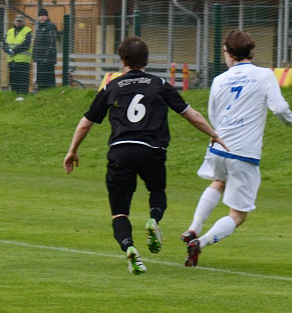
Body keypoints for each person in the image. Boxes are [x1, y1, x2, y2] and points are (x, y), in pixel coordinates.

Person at [63, 37, 226, 275]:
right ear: (146, 60)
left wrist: (73, 150)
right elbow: (190, 114)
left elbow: (86, 122)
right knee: (157, 191)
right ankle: (153, 220)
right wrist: (213, 133)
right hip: (152, 151)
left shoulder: (112, 87)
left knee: (120, 211)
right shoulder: (159, 84)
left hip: (121, 151)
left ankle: (130, 248)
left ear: (123, 60)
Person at [181, 30, 292, 267]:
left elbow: (214, 115)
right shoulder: (264, 75)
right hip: (244, 153)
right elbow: (278, 108)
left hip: (219, 146)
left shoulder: (219, 80)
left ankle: (194, 227)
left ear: (230, 53)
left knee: (217, 181)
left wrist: (221, 135)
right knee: (238, 214)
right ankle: (200, 243)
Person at [3, 14, 32, 94]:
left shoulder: (27, 31)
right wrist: (7, 50)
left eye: (20, 21)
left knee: (23, 80)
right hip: (12, 61)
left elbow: (26, 44)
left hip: (23, 61)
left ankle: (23, 95)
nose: (18, 23)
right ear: (14, 21)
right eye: (17, 21)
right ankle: (14, 94)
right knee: (13, 80)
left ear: (23, 22)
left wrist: (13, 51)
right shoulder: (9, 31)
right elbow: (4, 43)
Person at [33, 8, 59, 90]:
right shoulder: (38, 28)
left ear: (47, 16)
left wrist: (46, 56)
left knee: (48, 77)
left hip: (47, 59)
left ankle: (49, 92)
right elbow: (36, 42)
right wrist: (35, 56)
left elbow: (51, 43)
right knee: (40, 77)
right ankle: (41, 91)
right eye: (40, 15)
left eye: (43, 15)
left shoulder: (50, 26)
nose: (41, 17)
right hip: (39, 58)